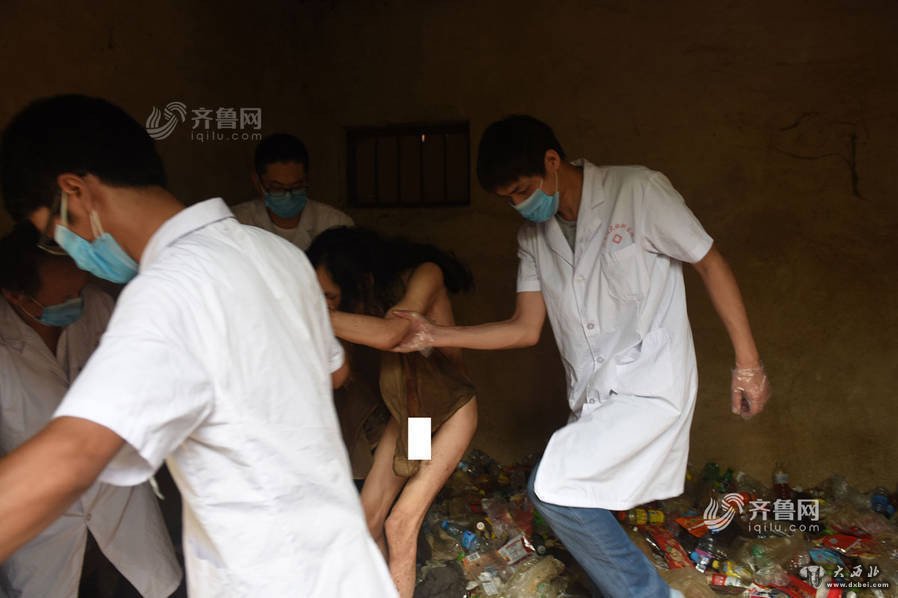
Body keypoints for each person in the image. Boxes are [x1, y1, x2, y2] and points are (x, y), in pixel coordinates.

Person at [0, 95, 397, 598]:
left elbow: (73, 453)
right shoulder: (275, 254)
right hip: (344, 570)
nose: (70, 255)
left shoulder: (170, 289)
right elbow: (333, 372)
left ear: (74, 191)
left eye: (54, 235)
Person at [393, 115, 772, 598]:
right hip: (594, 393)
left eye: (523, 190)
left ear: (552, 161)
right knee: (567, 493)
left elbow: (710, 262)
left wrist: (748, 365)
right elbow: (523, 328)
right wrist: (434, 334)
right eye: (508, 199)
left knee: (552, 488)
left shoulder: (638, 191)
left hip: (650, 382)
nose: (520, 205)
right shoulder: (533, 237)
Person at [0, 222, 181, 598]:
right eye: (64, 297)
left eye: (78, 290)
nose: (77, 302)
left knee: (146, 586)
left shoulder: (98, 307)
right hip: (45, 534)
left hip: (122, 507)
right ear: (15, 296)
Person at [307, 226, 478, 598]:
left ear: (360, 279)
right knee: (367, 521)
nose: (327, 304)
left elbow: (393, 333)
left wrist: (309, 313)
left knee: (400, 524)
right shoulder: (363, 304)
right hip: (414, 418)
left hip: (449, 411)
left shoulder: (425, 274)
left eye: (331, 296)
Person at [232, 133, 353, 250]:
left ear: (307, 179)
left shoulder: (335, 224)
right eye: (277, 188)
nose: (288, 196)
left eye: (296, 186)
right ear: (257, 181)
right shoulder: (237, 223)